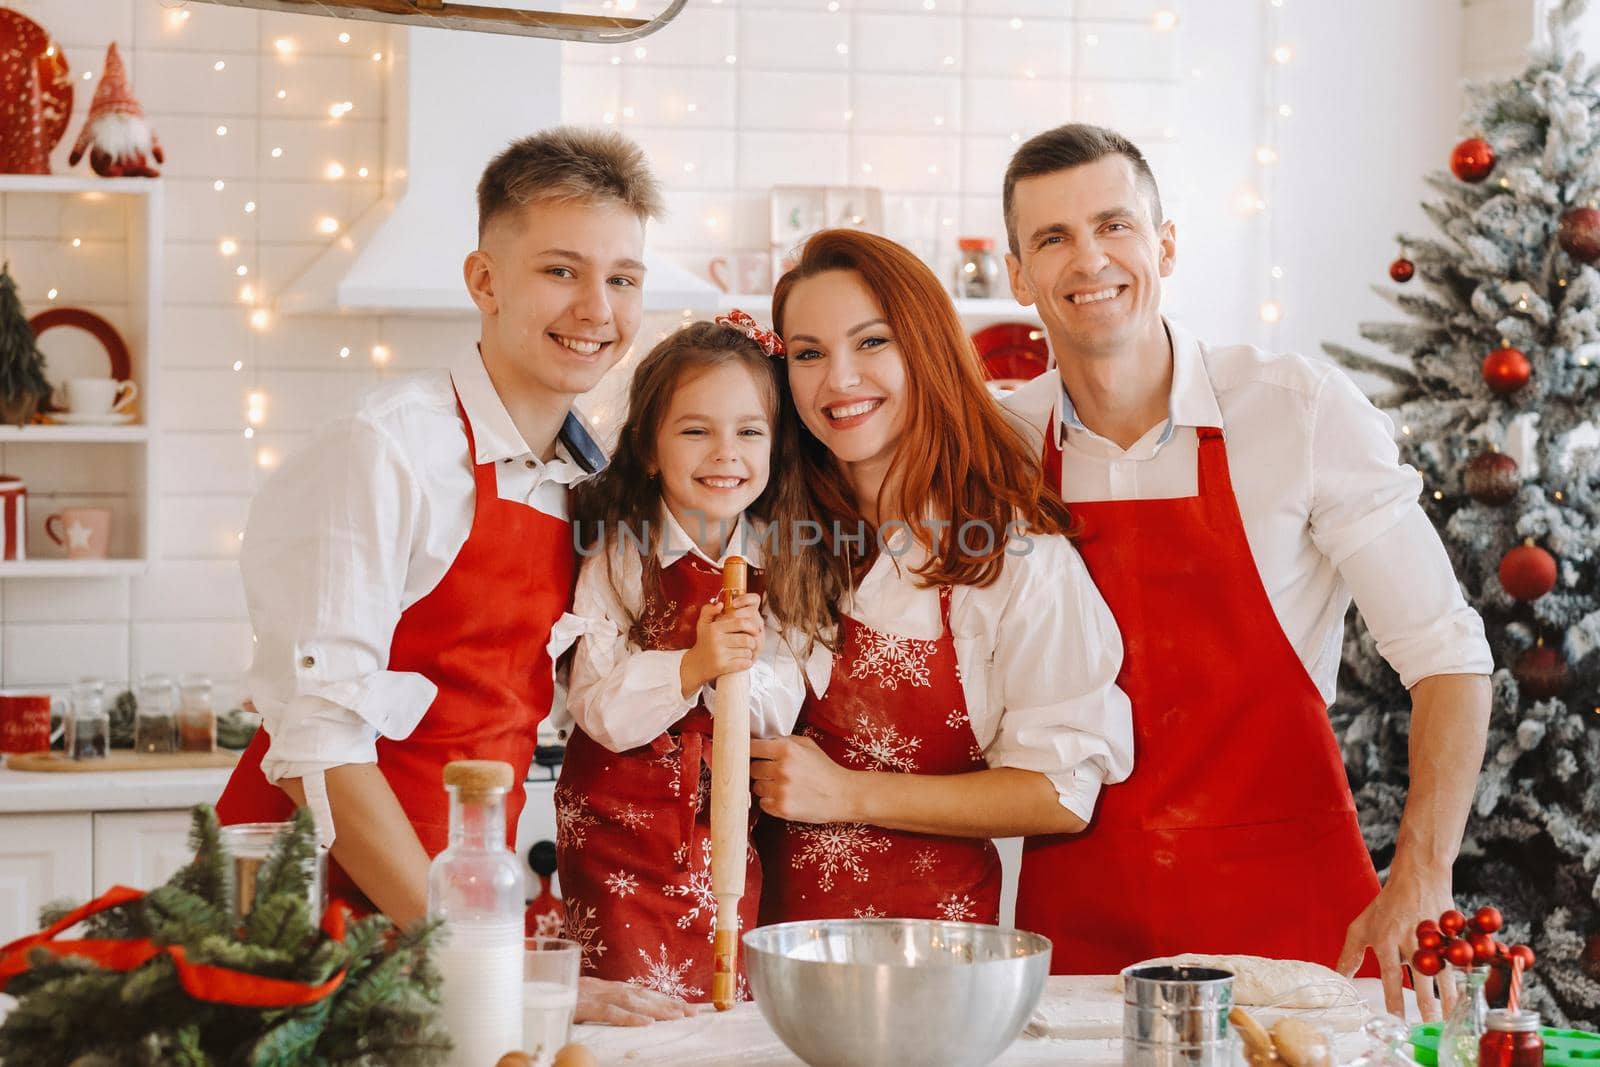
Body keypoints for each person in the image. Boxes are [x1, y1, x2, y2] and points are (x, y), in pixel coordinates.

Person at [998, 123, 1492, 1016]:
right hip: (1075, 935)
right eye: (1052, 238)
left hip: (1293, 933)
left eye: (1114, 225)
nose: (1088, 260)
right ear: (1018, 275)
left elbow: (1448, 654)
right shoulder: (997, 446)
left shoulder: (1294, 411)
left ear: (1166, 244)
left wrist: (1422, 875)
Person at [214, 127, 692, 1026]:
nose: (597, 307)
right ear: (484, 281)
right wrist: (469, 960)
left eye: (623, 278)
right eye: (561, 270)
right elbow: (316, 743)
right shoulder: (388, 448)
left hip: (459, 897)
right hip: (311, 905)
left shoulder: (587, 478)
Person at [750, 229, 1134, 925]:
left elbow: (1057, 793)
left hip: (930, 967)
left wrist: (845, 793)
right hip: (756, 956)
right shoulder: (766, 533)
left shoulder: (1014, 559)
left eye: (871, 342)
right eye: (808, 354)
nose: (838, 380)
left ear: (924, 348)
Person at [554, 314, 820, 1000]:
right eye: (696, 430)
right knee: (626, 1009)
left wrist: (742, 669)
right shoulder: (618, 552)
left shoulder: (783, 562)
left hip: (720, 833)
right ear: (648, 446)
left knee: (718, 1002)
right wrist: (691, 668)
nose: (724, 453)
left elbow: (779, 709)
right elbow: (595, 705)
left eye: (749, 431)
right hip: (615, 836)